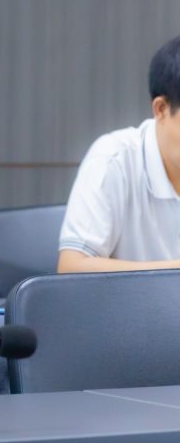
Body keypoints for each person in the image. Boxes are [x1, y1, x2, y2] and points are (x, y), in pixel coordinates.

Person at [59, 36, 180, 272]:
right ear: (161, 110)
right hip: (132, 299)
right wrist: (174, 272)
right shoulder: (112, 160)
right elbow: (71, 267)